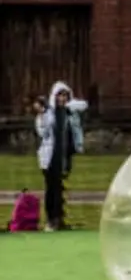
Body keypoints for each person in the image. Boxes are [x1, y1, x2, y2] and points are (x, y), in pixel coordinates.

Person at [36, 82, 87, 232]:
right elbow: (42, 132)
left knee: (60, 188)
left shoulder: (70, 112)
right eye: (60, 95)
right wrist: (43, 115)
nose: (63, 98)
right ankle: (51, 220)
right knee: (52, 189)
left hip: (64, 156)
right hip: (49, 157)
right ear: (54, 96)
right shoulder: (48, 113)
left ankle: (59, 219)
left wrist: (78, 145)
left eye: (65, 95)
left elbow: (83, 105)